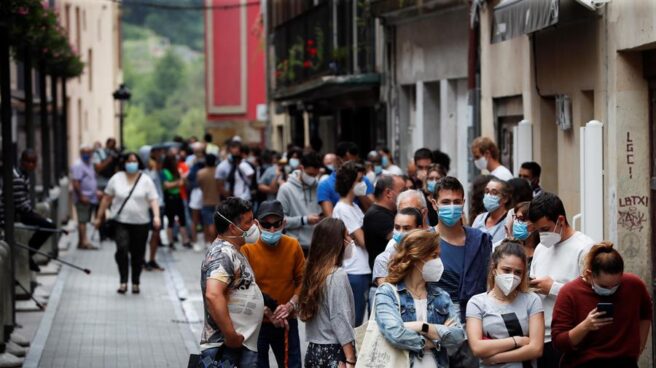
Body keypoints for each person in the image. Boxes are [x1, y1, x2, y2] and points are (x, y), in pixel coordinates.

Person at [551, 242, 652, 368]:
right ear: (589, 274)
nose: (610, 290)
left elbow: (646, 312)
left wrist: (639, 347)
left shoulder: (634, 285)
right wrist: (585, 326)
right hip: (583, 363)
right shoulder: (569, 293)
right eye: (604, 286)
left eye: (616, 285)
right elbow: (559, 343)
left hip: (625, 362)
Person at [375, 229, 465, 367]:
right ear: (416, 258)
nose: (439, 262)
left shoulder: (441, 296)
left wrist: (423, 327)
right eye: (434, 256)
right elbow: (396, 334)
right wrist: (436, 339)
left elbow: (458, 335)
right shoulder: (387, 292)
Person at [527, 192, 595, 368]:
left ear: (561, 220)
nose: (541, 235)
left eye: (545, 229)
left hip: (570, 337)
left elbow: (591, 296)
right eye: (538, 230)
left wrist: (554, 288)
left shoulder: (585, 249)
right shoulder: (541, 249)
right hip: (539, 338)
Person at [199, 197, 267, 367]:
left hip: (239, 345)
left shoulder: (234, 251)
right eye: (249, 222)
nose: (255, 226)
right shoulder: (223, 253)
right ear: (232, 227)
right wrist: (231, 336)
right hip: (228, 347)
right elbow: (213, 294)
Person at [433, 176, 492, 365]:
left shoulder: (479, 240)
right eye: (446, 202)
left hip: (472, 328)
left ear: (463, 203)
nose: (452, 207)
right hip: (434, 328)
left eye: (456, 202)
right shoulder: (423, 241)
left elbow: (489, 283)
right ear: (434, 204)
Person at [241, 200, 305, 368]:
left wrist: (290, 305)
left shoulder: (293, 246)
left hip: (286, 322)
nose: (272, 230)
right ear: (256, 224)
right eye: (266, 225)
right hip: (256, 325)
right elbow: (244, 287)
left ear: (283, 223)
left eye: (276, 225)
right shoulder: (247, 249)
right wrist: (266, 311)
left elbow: (303, 281)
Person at [466, 240, 545, 367]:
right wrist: (517, 341)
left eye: (518, 272)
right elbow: (477, 347)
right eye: (506, 270)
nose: (512, 276)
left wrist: (496, 358)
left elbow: (536, 349)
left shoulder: (532, 300)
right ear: (494, 269)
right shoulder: (477, 303)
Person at [95, 152, 161, 294]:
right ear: (124, 163)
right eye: (129, 161)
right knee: (122, 250)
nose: (132, 163)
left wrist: (156, 216)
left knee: (138, 254)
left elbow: (153, 199)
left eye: (134, 161)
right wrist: (99, 217)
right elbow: (106, 198)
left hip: (141, 222)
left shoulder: (146, 180)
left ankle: (135, 281)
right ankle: (123, 281)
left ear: (139, 163)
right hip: (121, 222)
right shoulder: (116, 179)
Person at [299, 218, 356, 368]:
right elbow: (339, 318)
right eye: (347, 236)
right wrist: (350, 358)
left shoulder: (312, 272)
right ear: (337, 242)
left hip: (313, 351)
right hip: (334, 353)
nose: (350, 240)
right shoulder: (337, 275)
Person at [331, 161, 371, 326]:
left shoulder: (354, 206)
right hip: (355, 270)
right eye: (359, 180)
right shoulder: (343, 209)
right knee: (355, 322)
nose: (363, 184)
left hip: (363, 268)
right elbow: (363, 240)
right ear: (350, 183)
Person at [4, 150, 57, 271]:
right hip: (15, 214)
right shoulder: (17, 177)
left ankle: (28, 253)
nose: (32, 165)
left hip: (21, 211)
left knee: (47, 225)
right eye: (29, 162)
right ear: (22, 162)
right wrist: (36, 216)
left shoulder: (23, 175)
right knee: (49, 226)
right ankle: (27, 254)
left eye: (34, 162)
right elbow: (21, 204)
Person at [276, 152, 323, 252]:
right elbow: (279, 221)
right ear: (301, 168)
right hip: (296, 245)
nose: (313, 178)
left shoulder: (319, 186)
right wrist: (304, 220)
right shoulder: (285, 189)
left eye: (315, 175)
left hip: (318, 244)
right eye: (310, 174)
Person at [317, 141, 374, 217]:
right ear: (338, 160)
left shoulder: (363, 180)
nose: (354, 166)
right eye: (349, 163)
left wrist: (359, 188)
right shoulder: (325, 185)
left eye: (356, 163)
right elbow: (331, 220)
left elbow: (372, 211)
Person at [362, 175, 405, 269]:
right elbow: (404, 240)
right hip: (385, 273)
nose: (405, 195)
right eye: (402, 191)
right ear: (388, 193)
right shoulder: (376, 215)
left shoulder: (389, 212)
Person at [71, 144, 99, 250]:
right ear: (81, 153)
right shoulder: (78, 165)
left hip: (90, 197)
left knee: (85, 220)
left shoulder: (89, 164)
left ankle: (81, 241)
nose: (87, 154)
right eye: (85, 152)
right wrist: (81, 196)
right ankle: (84, 242)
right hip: (83, 198)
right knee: (82, 220)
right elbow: (76, 182)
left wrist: (96, 191)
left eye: (89, 152)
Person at [162, 152, 192, 249]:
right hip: (169, 197)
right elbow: (166, 185)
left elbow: (183, 183)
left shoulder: (177, 170)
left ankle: (185, 240)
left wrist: (181, 179)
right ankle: (171, 242)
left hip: (178, 196)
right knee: (170, 220)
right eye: (173, 160)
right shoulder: (165, 171)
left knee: (182, 219)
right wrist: (178, 183)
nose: (175, 162)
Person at [472, 177, 511, 243]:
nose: (489, 196)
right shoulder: (479, 218)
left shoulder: (509, 221)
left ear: (505, 199)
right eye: (487, 192)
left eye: (494, 193)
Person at [144, 154, 165, 271]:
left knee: (156, 234)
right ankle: (141, 260)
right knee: (143, 235)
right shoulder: (144, 173)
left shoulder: (159, 173)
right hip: (146, 207)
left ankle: (152, 259)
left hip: (159, 205)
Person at [197, 154, 220, 247]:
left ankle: (209, 242)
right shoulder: (218, 172)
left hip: (206, 200)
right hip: (217, 200)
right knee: (215, 223)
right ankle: (213, 242)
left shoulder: (201, 173)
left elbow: (200, 186)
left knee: (208, 223)